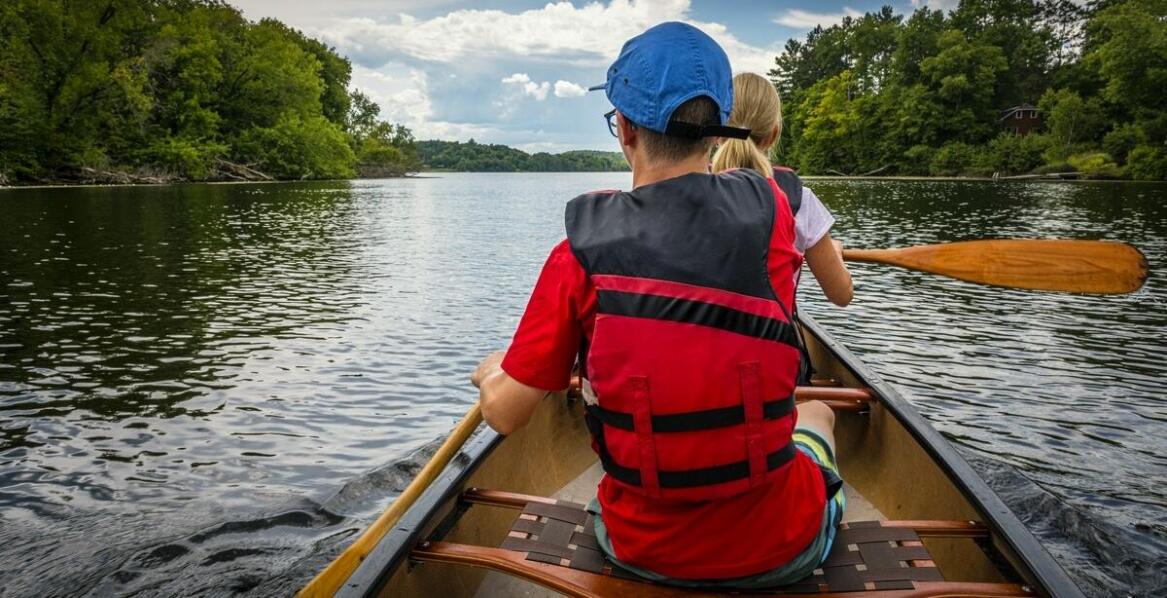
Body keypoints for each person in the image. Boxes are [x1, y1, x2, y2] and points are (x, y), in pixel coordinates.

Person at [471, 22, 843, 589]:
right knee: (817, 416)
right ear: (716, 134)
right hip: (783, 548)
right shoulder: (775, 212)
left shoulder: (578, 253)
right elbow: (827, 279)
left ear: (623, 129)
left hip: (639, 549)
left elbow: (504, 413)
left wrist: (491, 371)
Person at [712, 72, 853, 307]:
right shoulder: (800, 200)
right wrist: (835, 255)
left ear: (717, 133)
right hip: (771, 340)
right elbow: (842, 295)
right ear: (773, 135)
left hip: (704, 340)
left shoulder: (691, 189)